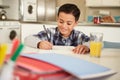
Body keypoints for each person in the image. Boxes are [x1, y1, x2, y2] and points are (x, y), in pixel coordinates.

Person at [24, 3, 90, 54]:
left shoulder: (79, 36)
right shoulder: (50, 33)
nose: (64, 26)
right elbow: (27, 39)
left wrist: (87, 47)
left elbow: (96, 42)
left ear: (75, 23)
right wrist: (39, 43)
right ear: (57, 19)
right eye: (61, 21)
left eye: (69, 23)